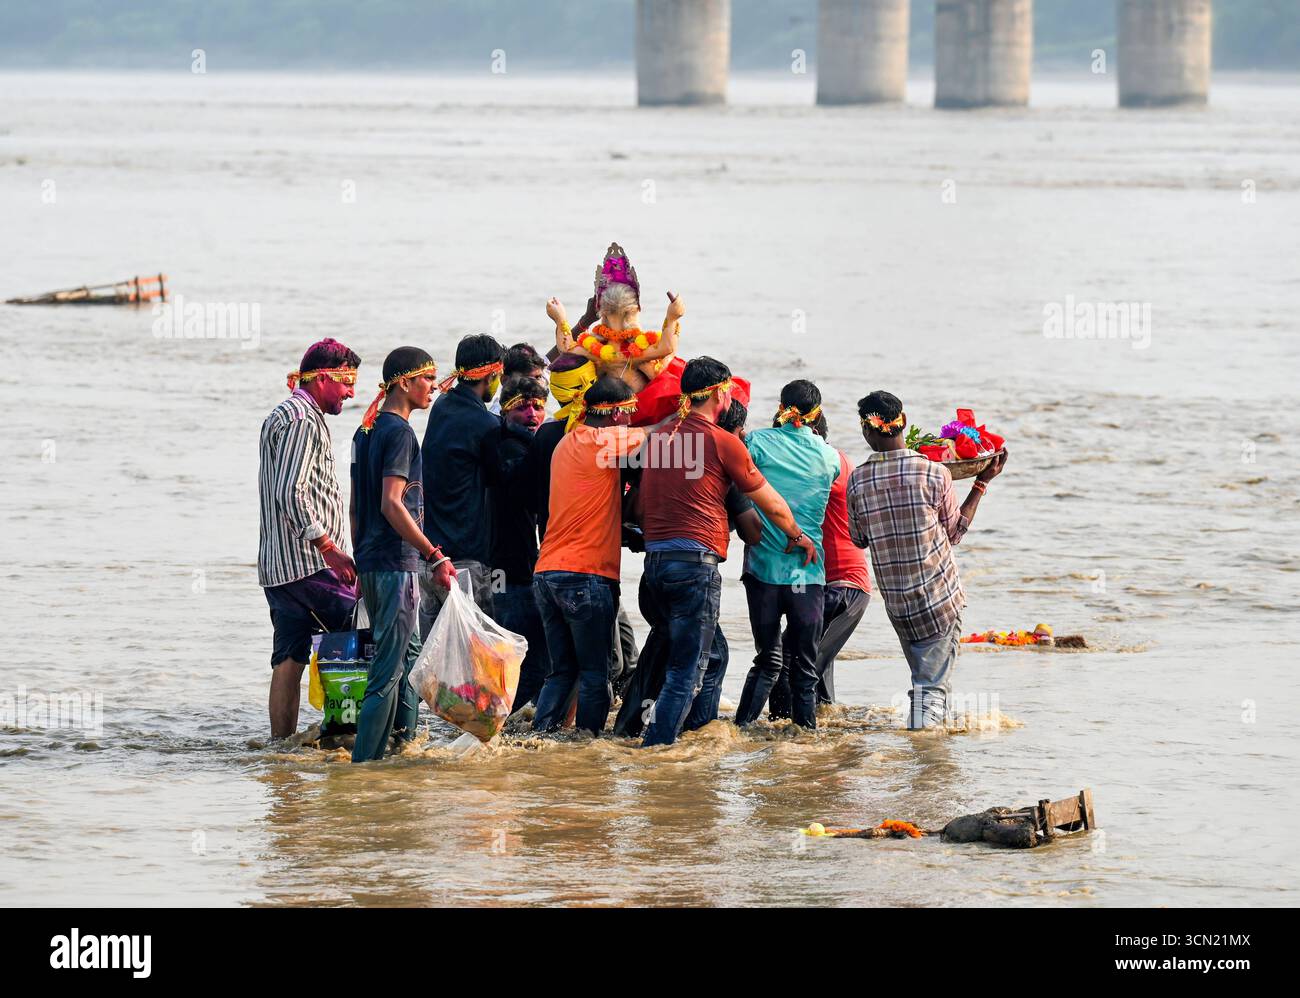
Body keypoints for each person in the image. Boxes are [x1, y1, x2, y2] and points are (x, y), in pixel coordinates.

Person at [636, 357, 818, 747]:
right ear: (720, 393)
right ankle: (655, 751)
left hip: (654, 567)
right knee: (689, 668)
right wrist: (798, 535)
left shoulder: (658, 437)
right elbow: (771, 503)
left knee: (711, 655)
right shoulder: (723, 442)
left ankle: (699, 735)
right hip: (694, 567)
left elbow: (639, 505)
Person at [846, 390, 1008, 729]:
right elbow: (954, 533)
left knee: (927, 683)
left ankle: (929, 754)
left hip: (899, 605)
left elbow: (858, 539)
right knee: (931, 688)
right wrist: (981, 484)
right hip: (937, 599)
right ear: (903, 423)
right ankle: (926, 760)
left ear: (867, 431)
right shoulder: (935, 474)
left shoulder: (857, 480)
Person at [611, 393, 760, 738]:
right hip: (692, 574)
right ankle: (682, 734)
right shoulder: (723, 459)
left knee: (662, 647)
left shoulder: (664, 449)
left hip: (654, 573)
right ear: (733, 430)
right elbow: (753, 532)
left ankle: (630, 725)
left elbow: (633, 502)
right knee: (702, 659)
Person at [349, 347, 456, 762]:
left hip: (377, 563)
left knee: (409, 658)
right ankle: (363, 769)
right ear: (404, 383)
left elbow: (356, 506)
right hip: (395, 564)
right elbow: (391, 504)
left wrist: (361, 560)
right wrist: (433, 554)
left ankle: (403, 751)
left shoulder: (366, 430)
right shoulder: (400, 433)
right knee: (386, 672)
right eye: (427, 379)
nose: (433, 386)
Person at [259, 338, 362, 739]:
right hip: (311, 565)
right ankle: (344, 739)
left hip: (278, 566)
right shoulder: (303, 419)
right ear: (323, 378)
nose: (352, 392)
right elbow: (291, 491)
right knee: (351, 645)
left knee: (289, 658)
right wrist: (329, 547)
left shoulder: (281, 414)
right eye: (347, 382)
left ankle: (280, 749)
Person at [531, 376, 646, 734]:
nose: (629, 421)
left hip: (547, 573)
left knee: (562, 672)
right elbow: (660, 435)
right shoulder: (605, 441)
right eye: (627, 413)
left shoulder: (567, 443)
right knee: (597, 674)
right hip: (585, 575)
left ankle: (541, 740)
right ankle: (588, 748)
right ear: (614, 414)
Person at [733, 381, 841, 731]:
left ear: (781, 407)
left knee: (767, 660)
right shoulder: (829, 456)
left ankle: (740, 731)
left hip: (763, 571)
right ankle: (805, 739)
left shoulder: (757, 443)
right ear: (817, 414)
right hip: (806, 575)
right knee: (806, 668)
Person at [769, 410, 873, 718]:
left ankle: (791, 738)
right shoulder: (833, 461)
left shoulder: (824, 464)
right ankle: (826, 744)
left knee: (790, 663)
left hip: (841, 586)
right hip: (831, 585)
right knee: (815, 668)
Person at [419, 333, 506, 635]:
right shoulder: (486, 426)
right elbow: (501, 481)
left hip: (431, 558)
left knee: (435, 663)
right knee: (475, 661)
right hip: (466, 563)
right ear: (492, 375)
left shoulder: (442, 407)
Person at [488, 375, 550, 713]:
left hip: (515, 567)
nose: (532, 414)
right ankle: (493, 726)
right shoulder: (507, 447)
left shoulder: (516, 444)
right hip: (509, 571)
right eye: (522, 407)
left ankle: (499, 723)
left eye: (538, 407)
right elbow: (520, 490)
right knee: (534, 662)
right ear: (504, 410)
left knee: (515, 659)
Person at [489, 343, 548, 414]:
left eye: (538, 377)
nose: (535, 385)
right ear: (505, 380)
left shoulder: (541, 382)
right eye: (526, 380)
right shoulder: (498, 415)